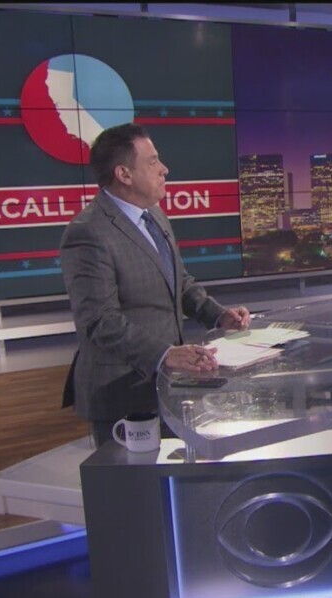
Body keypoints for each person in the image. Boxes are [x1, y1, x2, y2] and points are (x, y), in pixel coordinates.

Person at [60, 123, 250, 446]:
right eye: (152, 161)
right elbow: (99, 321)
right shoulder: (89, 232)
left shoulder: (154, 214)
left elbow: (178, 281)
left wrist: (218, 315)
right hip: (122, 391)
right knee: (135, 478)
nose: (164, 169)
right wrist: (165, 354)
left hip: (167, 383)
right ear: (124, 174)